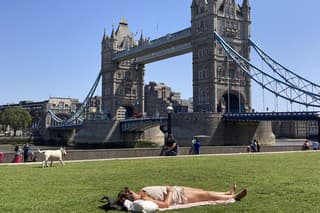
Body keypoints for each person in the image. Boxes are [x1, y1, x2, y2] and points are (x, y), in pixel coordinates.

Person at [115, 183, 247, 209]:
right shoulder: (144, 199)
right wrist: (171, 191)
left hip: (179, 190)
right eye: (132, 193)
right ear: (131, 198)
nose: (134, 192)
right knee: (206, 196)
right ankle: (234, 198)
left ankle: (226, 193)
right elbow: (166, 205)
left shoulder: (142, 192)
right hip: (179, 196)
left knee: (203, 191)